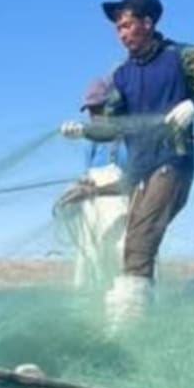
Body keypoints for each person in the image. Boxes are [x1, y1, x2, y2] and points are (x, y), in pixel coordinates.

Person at [62, 0, 194, 327]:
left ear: (148, 23)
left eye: (127, 25)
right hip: (139, 172)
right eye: (118, 28)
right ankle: (145, 321)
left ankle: (125, 332)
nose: (121, 33)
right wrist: (84, 131)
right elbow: (113, 127)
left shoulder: (181, 56)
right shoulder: (121, 76)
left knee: (138, 244)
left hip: (172, 165)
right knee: (133, 251)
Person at [52, 76, 129, 292]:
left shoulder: (132, 139)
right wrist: (78, 187)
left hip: (124, 222)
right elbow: (88, 176)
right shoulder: (92, 142)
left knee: (123, 267)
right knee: (91, 269)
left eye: (98, 109)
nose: (93, 116)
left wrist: (94, 191)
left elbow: (134, 182)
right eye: (90, 110)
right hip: (95, 220)